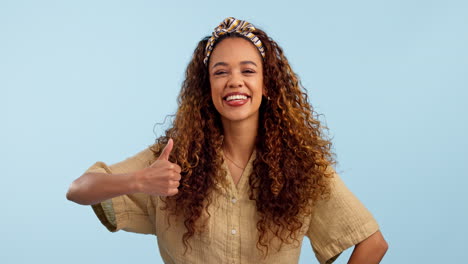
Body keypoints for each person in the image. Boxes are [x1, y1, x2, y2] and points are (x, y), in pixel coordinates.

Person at [67, 17, 388, 264]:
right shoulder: (172, 158)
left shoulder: (301, 168)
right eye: (220, 72)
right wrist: (139, 181)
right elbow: (79, 189)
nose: (234, 80)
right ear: (207, 88)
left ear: (267, 85)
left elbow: (372, 242)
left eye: (248, 71)